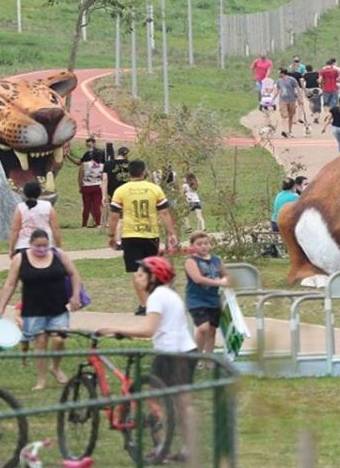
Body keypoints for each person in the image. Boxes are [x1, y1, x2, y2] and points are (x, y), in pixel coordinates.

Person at [97, 256, 197, 464]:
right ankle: (189, 447)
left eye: (141, 274)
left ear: (153, 277)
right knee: (183, 404)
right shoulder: (168, 294)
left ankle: (161, 448)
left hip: (169, 354)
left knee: (156, 402)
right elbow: (151, 313)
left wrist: (115, 329)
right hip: (187, 351)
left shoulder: (157, 297)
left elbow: (148, 329)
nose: (137, 277)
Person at [0, 228, 81, 389]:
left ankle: (55, 367)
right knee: (40, 343)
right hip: (33, 309)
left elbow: (73, 274)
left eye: (45, 245)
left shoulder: (59, 255)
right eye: (37, 246)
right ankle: (41, 380)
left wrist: (75, 295)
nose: (41, 249)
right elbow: (10, 284)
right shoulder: (20, 259)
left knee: (59, 339)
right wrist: (2, 307)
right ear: (30, 244)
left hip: (57, 307)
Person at [108, 160, 178, 315]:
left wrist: (112, 235)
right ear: (144, 172)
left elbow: (114, 216)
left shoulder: (121, 190)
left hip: (130, 235)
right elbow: (164, 212)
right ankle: (152, 301)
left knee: (136, 270)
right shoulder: (154, 189)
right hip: (150, 234)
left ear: (129, 172)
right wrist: (171, 233)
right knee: (150, 269)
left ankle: (144, 304)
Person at [183, 232, 228, 355]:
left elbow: (225, 275)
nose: (203, 246)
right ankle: (195, 356)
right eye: (199, 244)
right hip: (196, 300)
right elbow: (197, 279)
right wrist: (218, 282)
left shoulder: (216, 260)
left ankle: (208, 359)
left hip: (213, 300)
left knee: (212, 330)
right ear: (192, 246)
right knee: (203, 328)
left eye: (206, 243)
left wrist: (226, 281)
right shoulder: (191, 261)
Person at [9, 181, 62, 256]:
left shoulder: (20, 207)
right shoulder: (47, 206)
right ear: (39, 192)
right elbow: (55, 228)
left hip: (24, 245)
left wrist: (12, 248)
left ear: (25, 193)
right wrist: (58, 247)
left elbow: (15, 230)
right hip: (44, 245)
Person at [276, 68, 301, 138]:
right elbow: (277, 90)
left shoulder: (292, 80)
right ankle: (285, 131)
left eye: (279, 73)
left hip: (291, 100)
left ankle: (289, 131)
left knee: (291, 116)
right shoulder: (279, 81)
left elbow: (297, 88)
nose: (278, 74)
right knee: (284, 116)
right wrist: (272, 98)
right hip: (282, 100)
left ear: (282, 73)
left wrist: (299, 98)